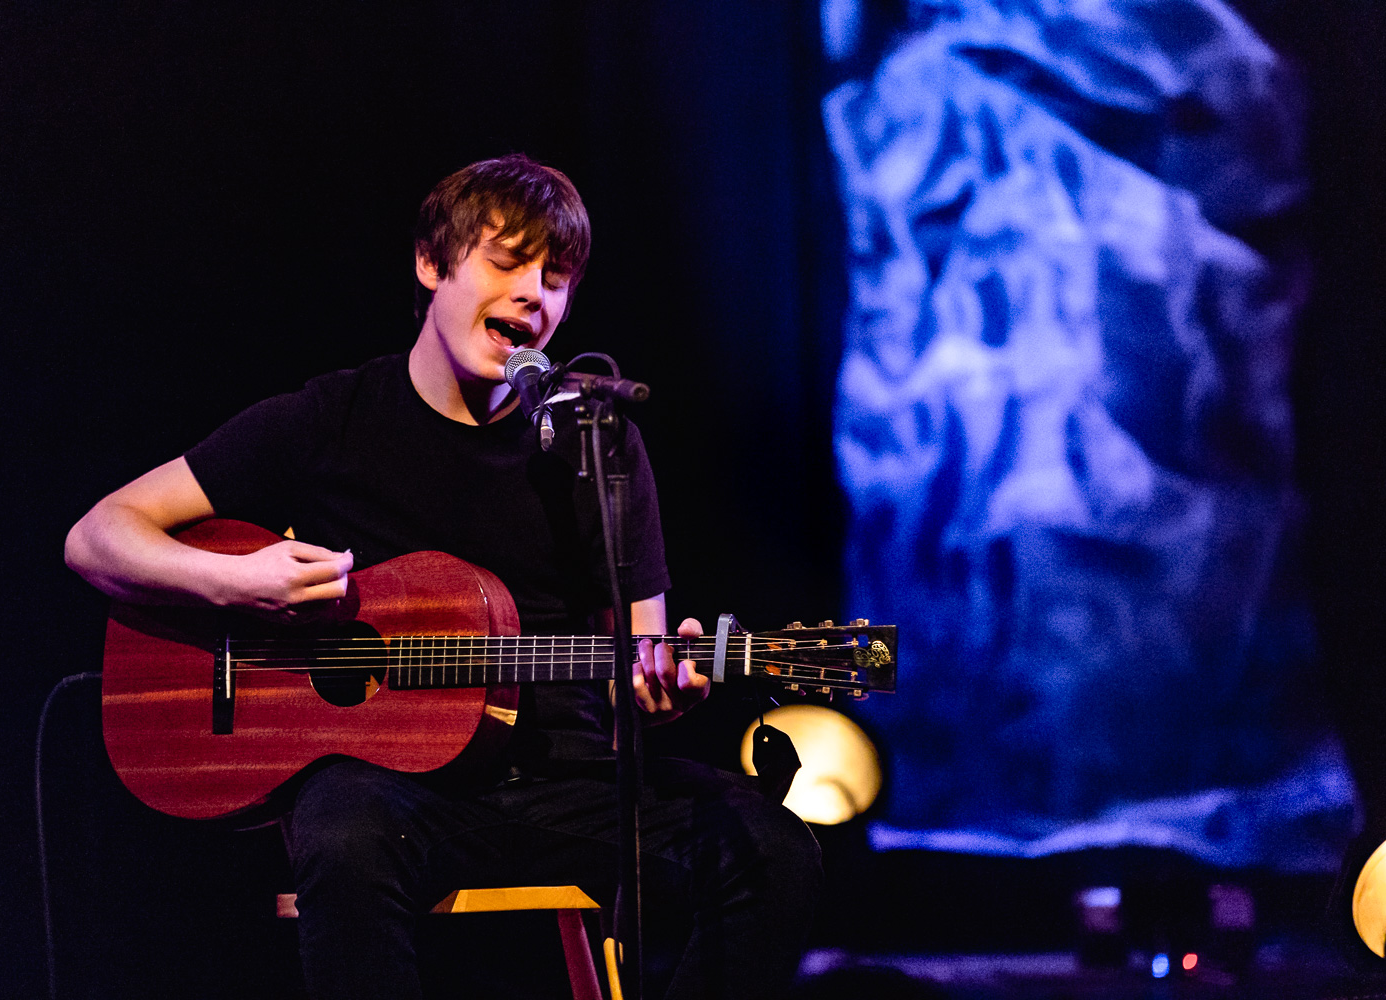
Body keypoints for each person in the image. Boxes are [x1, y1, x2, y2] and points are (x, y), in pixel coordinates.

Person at [65, 153, 822, 999]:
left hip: (568, 786)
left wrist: (662, 685)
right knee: (343, 834)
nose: (536, 295)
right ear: (432, 265)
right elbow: (98, 536)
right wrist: (236, 583)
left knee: (774, 848)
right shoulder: (333, 418)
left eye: (558, 277)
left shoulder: (597, 444)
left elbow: (634, 657)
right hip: (394, 795)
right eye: (508, 263)